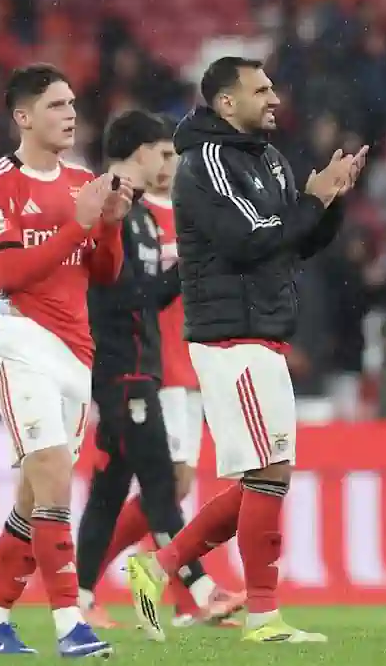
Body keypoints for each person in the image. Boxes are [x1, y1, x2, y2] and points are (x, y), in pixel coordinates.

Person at [125, 56, 367, 643]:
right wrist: (309, 204)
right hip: (229, 333)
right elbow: (248, 241)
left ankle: (156, 567)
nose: (275, 97)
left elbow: (296, 245)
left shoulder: (271, 160)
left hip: (264, 330)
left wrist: (329, 202)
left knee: (269, 474)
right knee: (267, 474)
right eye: (261, 90)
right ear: (226, 103)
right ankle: (262, 615)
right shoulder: (205, 163)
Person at [0, 64, 132, 657]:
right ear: (23, 117)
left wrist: (108, 227)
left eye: (71, 104)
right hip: (18, 341)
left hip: (75, 352)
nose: (70, 114)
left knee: (35, 497)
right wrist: (80, 223)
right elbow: (6, 271)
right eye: (57, 105)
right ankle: (69, 624)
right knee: (55, 475)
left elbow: (105, 273)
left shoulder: (83, 181)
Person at [75, 109, 244, 630]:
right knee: (161, 482)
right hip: (132, 368)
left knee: (124, 485)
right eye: (165, 153)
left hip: (163, 365)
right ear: (142, 152)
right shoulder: (115, 208)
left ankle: (79, 590)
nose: (172, 164)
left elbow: (145, 295)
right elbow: (116, 292)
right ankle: (194, 587)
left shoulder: (154, 216)